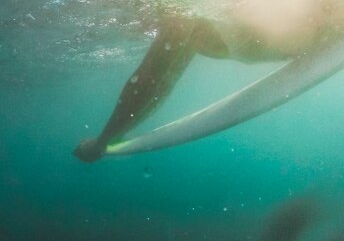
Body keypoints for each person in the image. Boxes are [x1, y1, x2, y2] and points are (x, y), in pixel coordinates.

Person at [74, 17, 229, 163]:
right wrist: (112, 136)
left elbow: (149, 80)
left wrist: (103, 141)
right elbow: (161, 82)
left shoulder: (180, 16)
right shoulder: (190, 24)